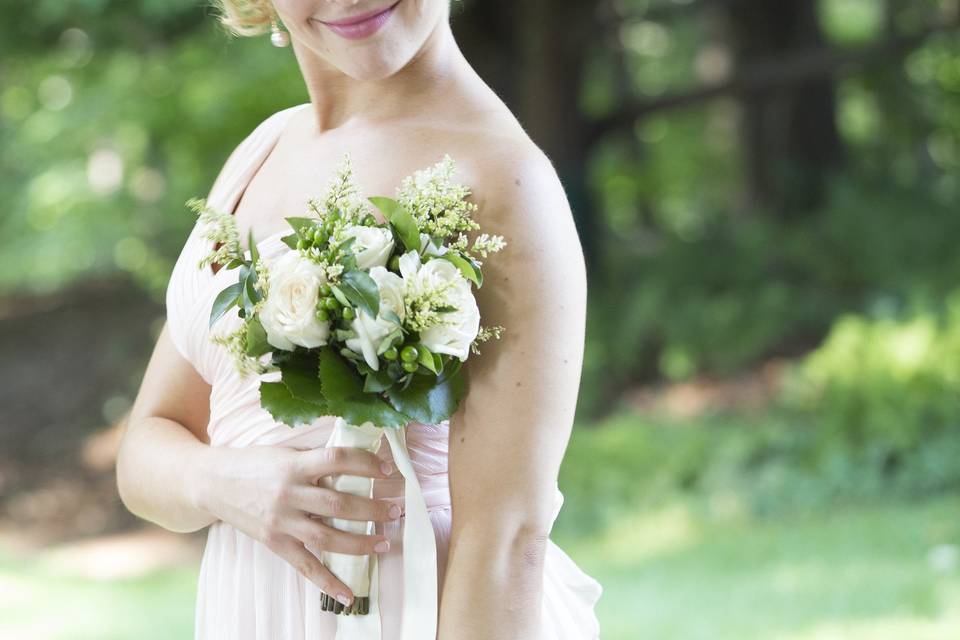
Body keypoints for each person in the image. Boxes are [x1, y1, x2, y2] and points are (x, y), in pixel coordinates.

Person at [115, 0, 603, 638]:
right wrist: (225, 482)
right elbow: (147, 448)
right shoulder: (263, 151)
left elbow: (507, 544)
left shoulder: (506, 181)